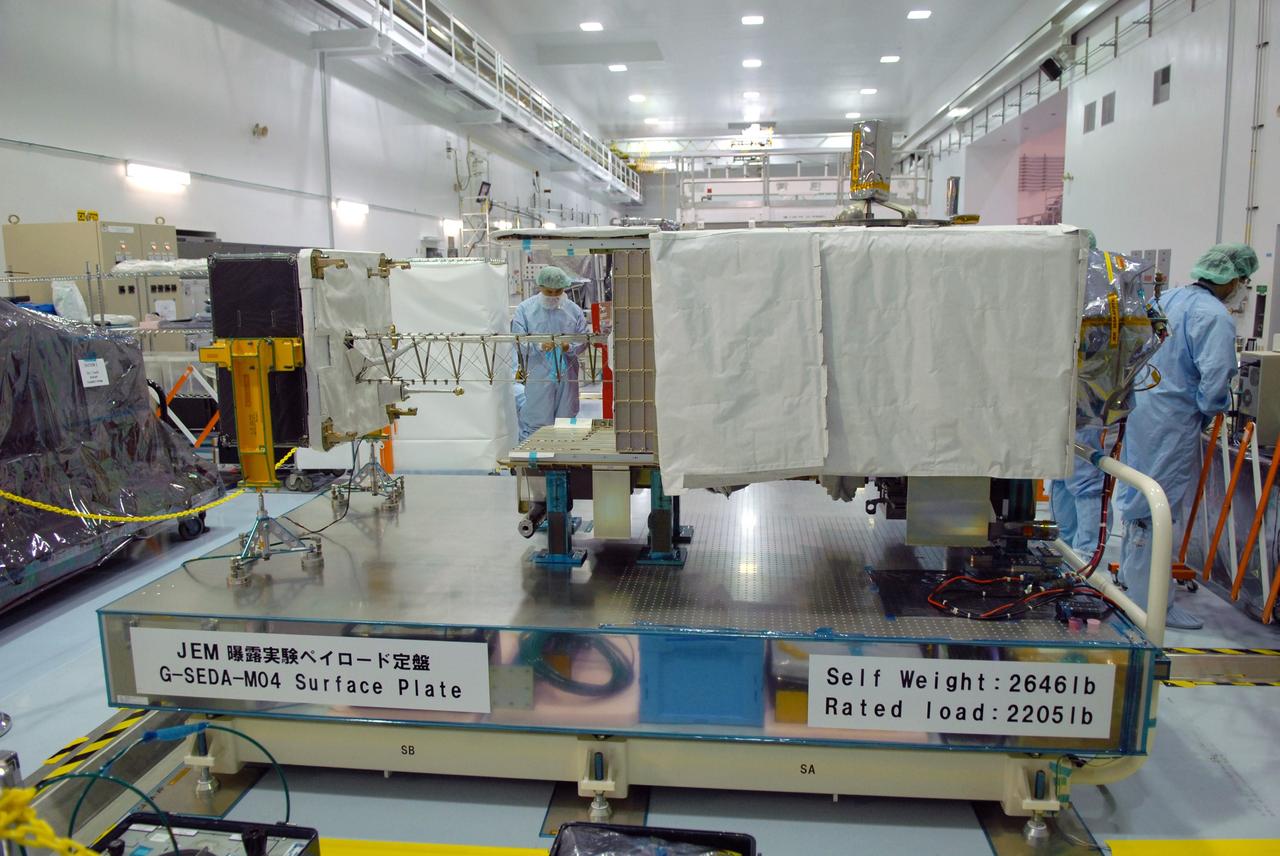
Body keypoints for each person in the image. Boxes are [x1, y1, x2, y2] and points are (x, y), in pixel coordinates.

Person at [1115, 243, 1258, 630]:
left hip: (1144, 407)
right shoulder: (1214, 317)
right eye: (1244, 280)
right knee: (1157, 507)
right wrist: (1209, 410)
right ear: (1230, 279)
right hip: (1174, 418)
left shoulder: (1172, 299)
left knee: (1138, 497)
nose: (1244, 288)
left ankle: (1132, 588)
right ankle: (1151, 604)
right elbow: (1216, 378)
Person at [512, 265, 589, 441]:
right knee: (536, 421)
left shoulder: (573, 310)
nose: (554, 296)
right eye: (549, 292)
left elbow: (583, 339)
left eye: (558, 291)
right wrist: (538, 345)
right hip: (539, 375)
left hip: (567, 376)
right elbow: (519, 341)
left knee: (566, 422)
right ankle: (532, 462)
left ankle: (564, 461)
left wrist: (569, 347)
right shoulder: (525, 310)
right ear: (540, 287)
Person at [1050, 425, 1107, 557]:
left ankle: (1084, 557)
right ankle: (1063, 553)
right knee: (1062, 477)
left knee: (1086, 481)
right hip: (1062, 420)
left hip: (1083, 423)